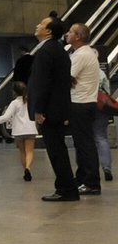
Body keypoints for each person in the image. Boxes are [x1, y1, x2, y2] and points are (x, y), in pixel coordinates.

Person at [30, 13, 78, 201]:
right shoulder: (58, 50)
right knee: (58, 149)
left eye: (41, 24)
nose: (37, 26)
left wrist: (39, 109)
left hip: (50, 109)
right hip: (58, 107)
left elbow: (43, 83)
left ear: (48, 31)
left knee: (56, 150)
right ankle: (66, 187)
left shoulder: (46, 51)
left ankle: (66, 189)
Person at [65, 22, 102, 195]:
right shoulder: (85, 53)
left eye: (71, 32)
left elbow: (68, 78)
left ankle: (91, 182)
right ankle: (82, 178)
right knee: (82, 144)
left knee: (85, 144)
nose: (67, 34)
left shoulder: (81, 55)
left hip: (80, 103)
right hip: (85, 102)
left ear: (78, 36)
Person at [0, 82, 37, 181]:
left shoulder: (14, 103)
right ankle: (28, 168)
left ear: (14, 92)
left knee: (22, 152)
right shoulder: (31, 101)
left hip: (18, 131)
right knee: (30, 151)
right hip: (31, 129)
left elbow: (6, 117)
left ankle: (25, 171)